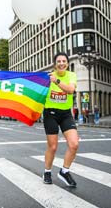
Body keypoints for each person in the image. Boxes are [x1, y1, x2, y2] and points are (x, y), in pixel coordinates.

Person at [42, 52, 78, 187]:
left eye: (64, 61)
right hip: (50, 114)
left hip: (65, 114)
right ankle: (47, 172)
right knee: (53, 146)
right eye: (59, 61)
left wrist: (56, 81)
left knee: (74, 144)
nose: (61, 63)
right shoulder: (47, 77)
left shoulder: (71, 75)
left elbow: (70, 90)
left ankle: (64, 171)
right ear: (55, 64)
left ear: (67, 63)